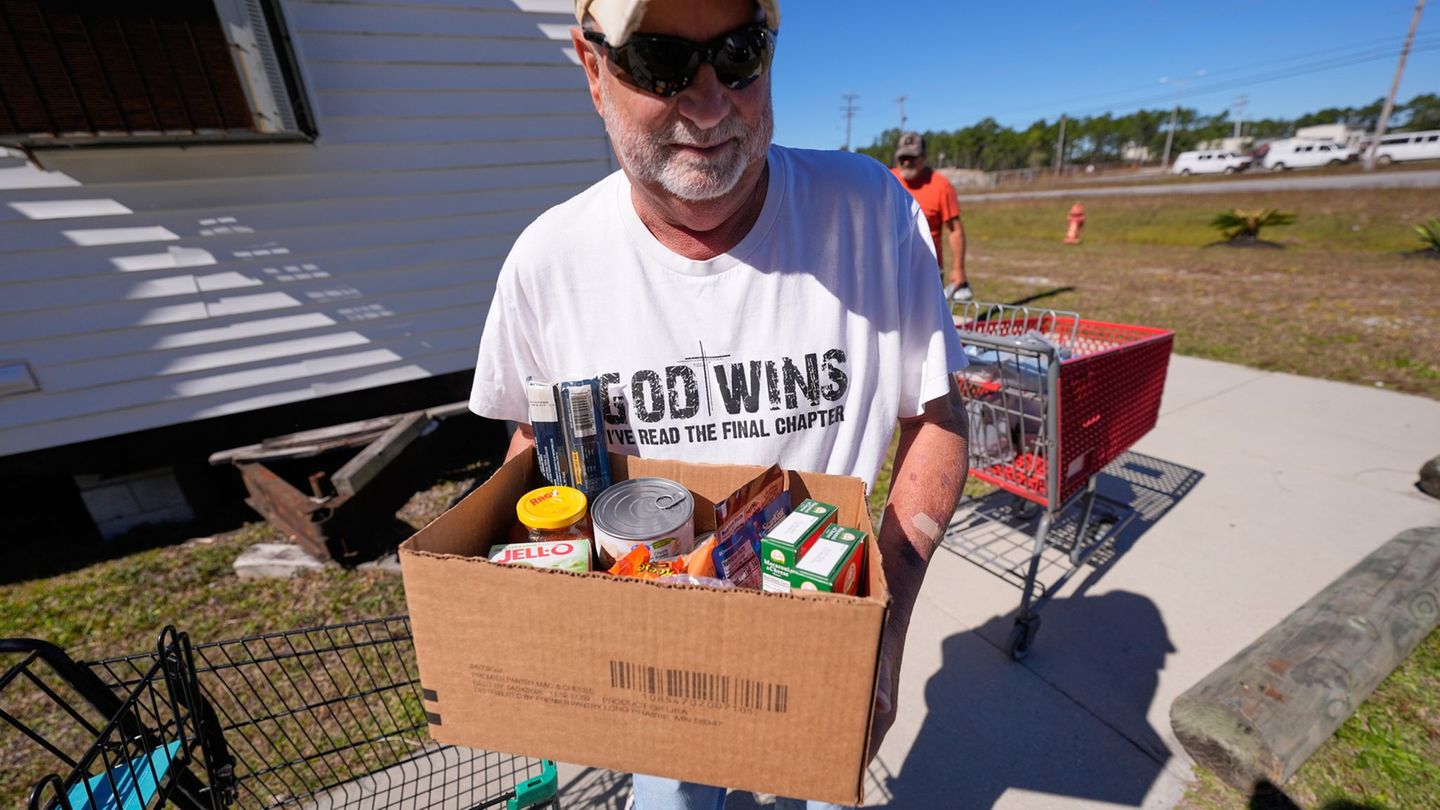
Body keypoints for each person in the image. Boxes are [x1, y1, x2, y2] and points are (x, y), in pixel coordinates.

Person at [468, 0, 970, 807]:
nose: (707, 104)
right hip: (652, 668)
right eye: (661, 62)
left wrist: (886, 626)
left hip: (818, 649)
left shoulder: (872, 214)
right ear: (593, 69)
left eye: (739, 54)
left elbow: (937, 420)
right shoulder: (547, 264)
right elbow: (536, 444)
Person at [891, 131, 972, 303]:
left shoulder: (941, 186)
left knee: (925, 327)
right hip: (891, 268)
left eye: (912, 157)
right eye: (902, 157)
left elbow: (955, 230)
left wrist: (959, 268)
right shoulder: (887, 180)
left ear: (924, 157)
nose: (906, 162)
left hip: (927, 271)